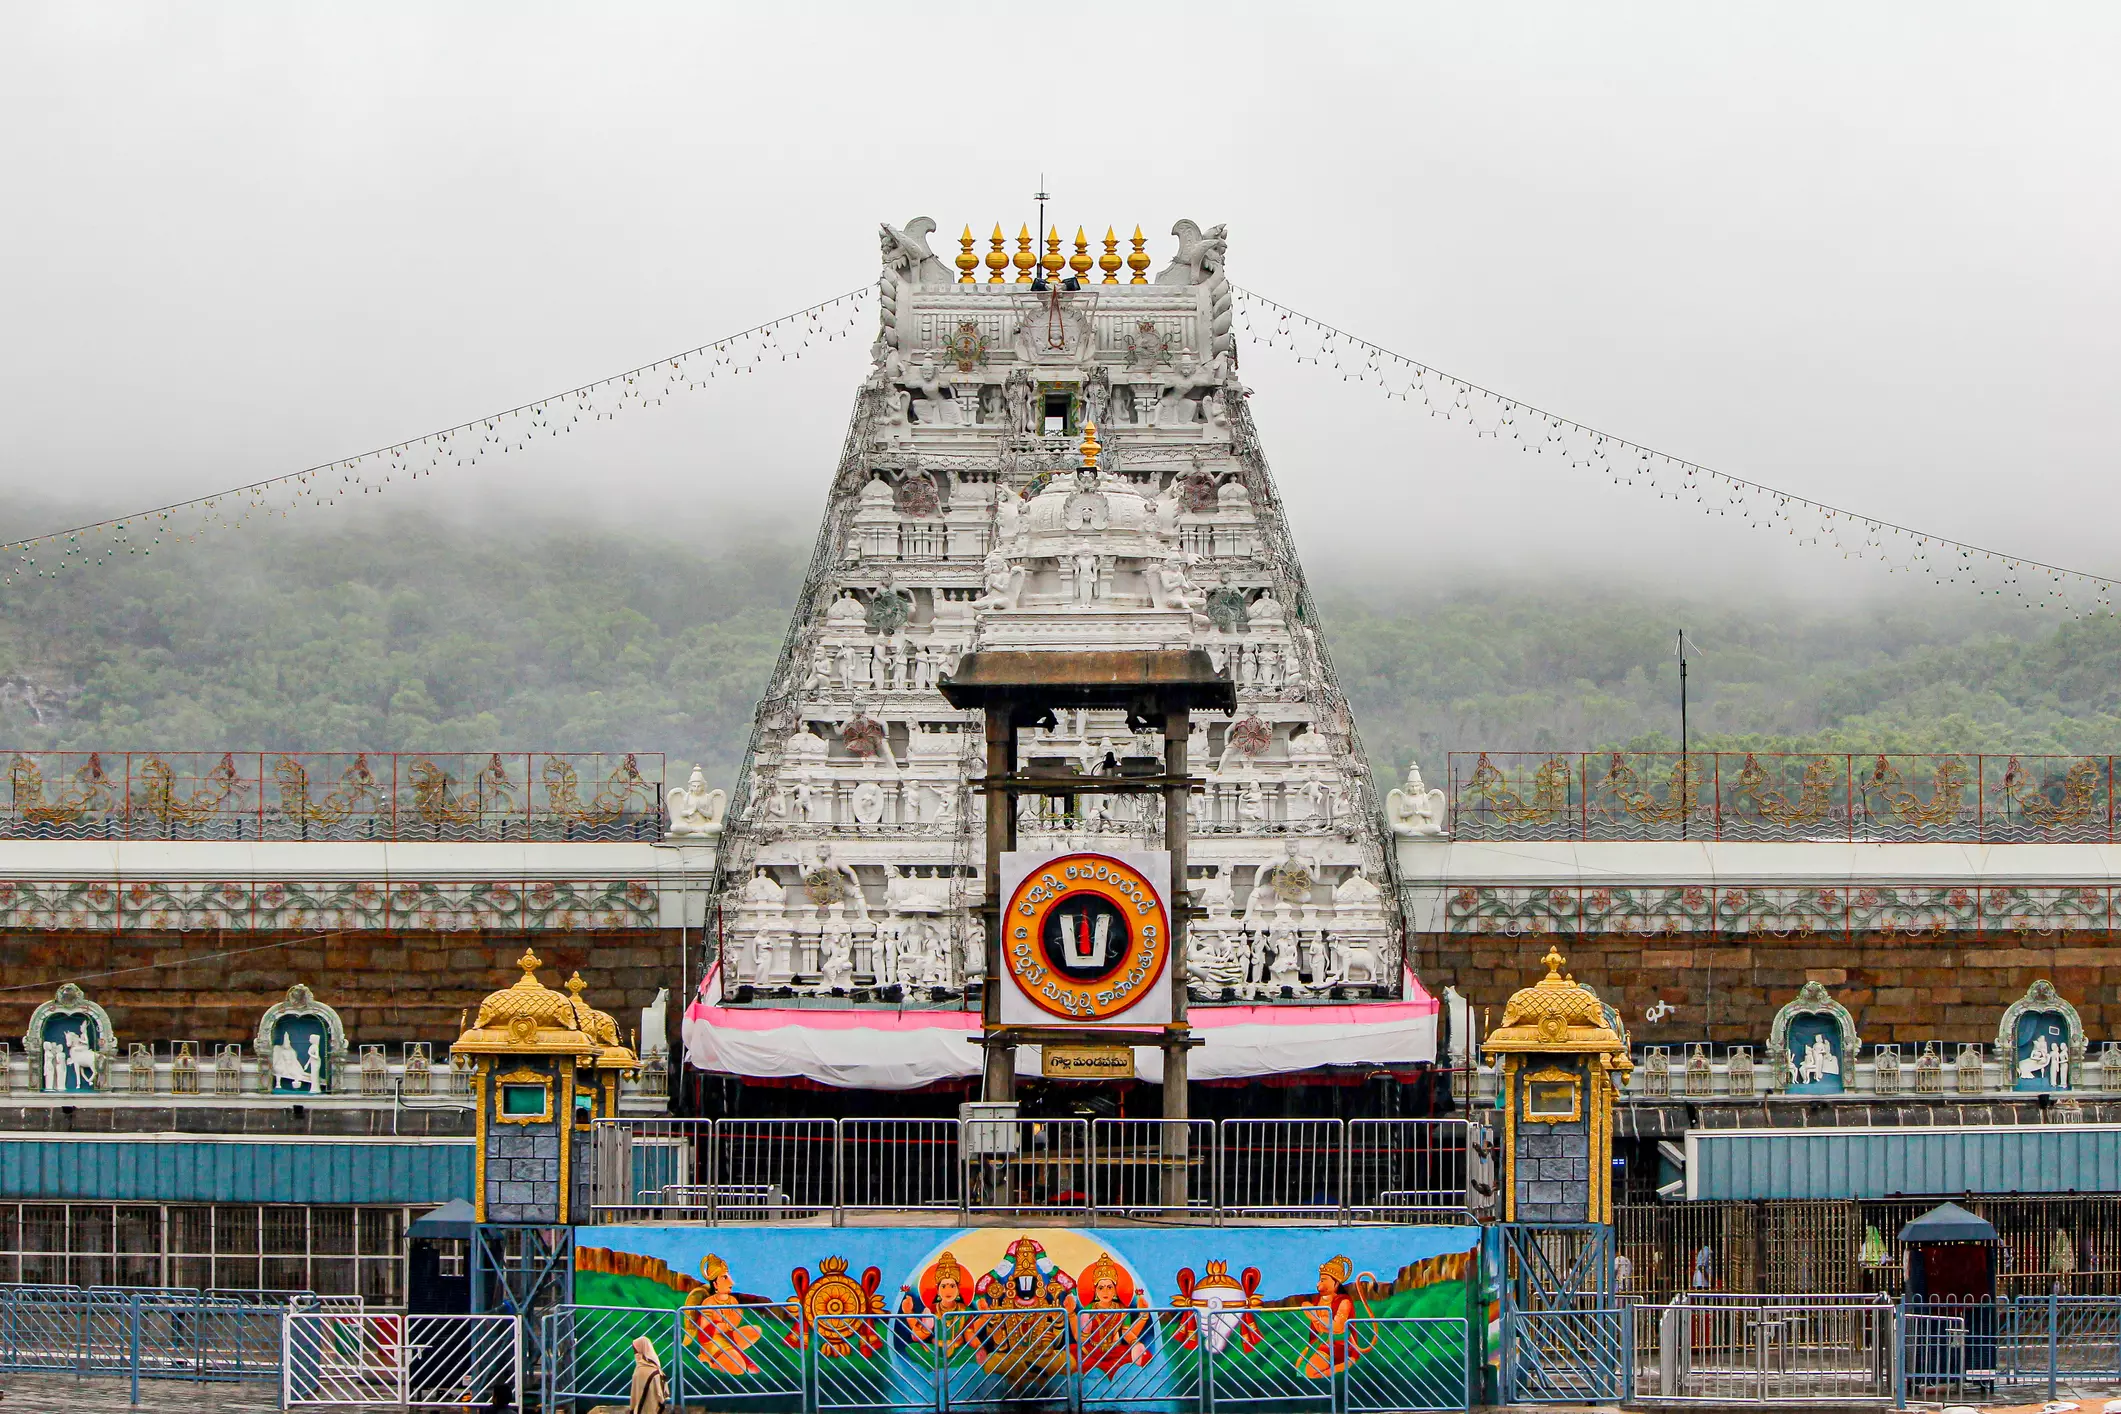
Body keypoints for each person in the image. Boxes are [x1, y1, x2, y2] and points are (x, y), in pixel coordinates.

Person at [628, 1336, 668, 1414]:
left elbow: (634, 1395)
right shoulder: (656, 1370)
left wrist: (632, 1409)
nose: (635, 1353)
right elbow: (661, 1395)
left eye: (636, 1351)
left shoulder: (638, 1370)